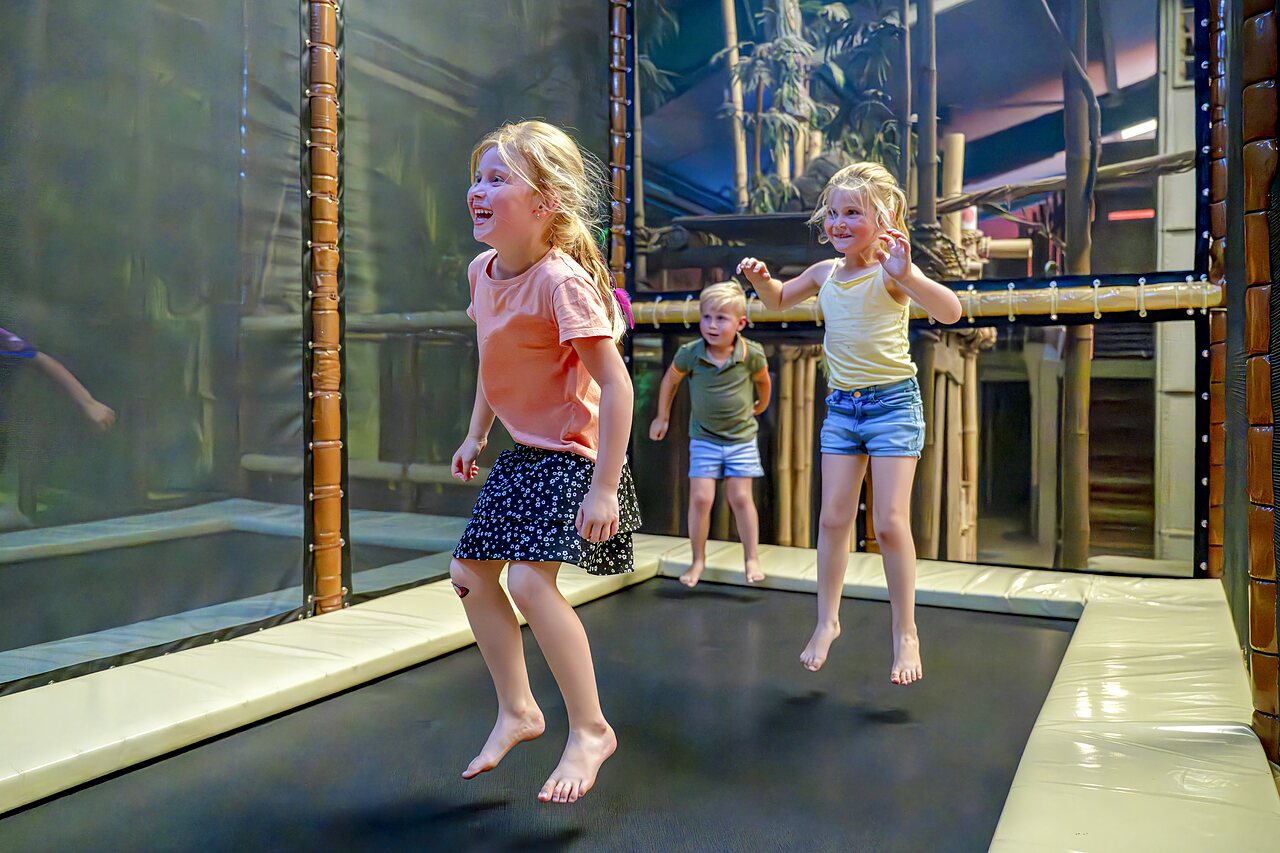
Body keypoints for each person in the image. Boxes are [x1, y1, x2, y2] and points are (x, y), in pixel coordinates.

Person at [449, 121, 639, 805]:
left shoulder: (561, 282)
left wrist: (605, 488)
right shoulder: (482, 273)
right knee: (469, 575)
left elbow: (616, 385)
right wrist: (476, 433)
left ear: (545, 201)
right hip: (525, 451)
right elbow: (493, 361)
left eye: (498, 178)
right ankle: (518, 710)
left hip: (576, 456)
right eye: (478, 177)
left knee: (530, 583)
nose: (479, 190)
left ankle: (591, 729)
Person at [737, 162, 961, 684]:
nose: (838, 223)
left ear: (884, 220)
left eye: (852, 213)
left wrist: (908, 274)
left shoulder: (891, 274)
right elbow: (777, 300)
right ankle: (827, 620)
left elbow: (950, 312)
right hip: (842, 409)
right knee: (834, 518)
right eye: (833, 213)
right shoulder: (824, 273)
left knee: (889, 523)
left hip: (893, 407)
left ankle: (905, 631)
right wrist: (761, 280)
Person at [648, 282, 770, 586]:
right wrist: (662, 417)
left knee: (740, 497)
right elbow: (670, 381)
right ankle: (698, 560)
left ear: (740, 323)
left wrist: (762, 404)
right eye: (706, 317)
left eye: (721, 319)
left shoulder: (751, 353)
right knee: (701, 498)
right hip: (704, 439)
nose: (712, 325)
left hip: (741, 438)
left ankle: (751, 558)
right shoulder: (690, 353)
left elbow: (763, 381)